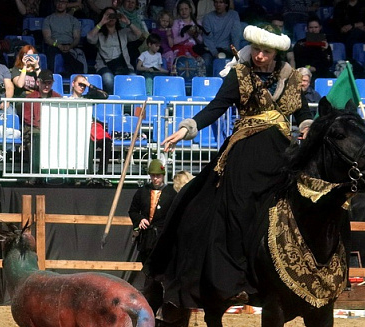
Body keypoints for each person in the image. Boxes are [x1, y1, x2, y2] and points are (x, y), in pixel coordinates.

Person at [147, 24, 313, 310]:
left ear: (276, 52)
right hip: (246, 154)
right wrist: (187, 128)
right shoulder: (239, 74)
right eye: (257, 50)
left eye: (267, 51)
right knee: (236, 209)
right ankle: (235, 278)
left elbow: (303, 111)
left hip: (282, 155)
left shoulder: (292, 77)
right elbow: (216, 107)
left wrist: (308, 126)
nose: (260, 55)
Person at [129, 159, 177, 311]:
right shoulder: (142, 192)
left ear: (163, 175)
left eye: (158, 175)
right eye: (153, 176)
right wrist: (140, 219)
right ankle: (150, 303)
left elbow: (175, 215)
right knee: (148, 271)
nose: (155, 179)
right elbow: (133, 210)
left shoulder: (171, 194)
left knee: (161, 272)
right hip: (147, 238)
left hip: (163, 239)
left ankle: (163, 303)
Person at [86, 6, 137, 94]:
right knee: (108, 79)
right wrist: (102, 22)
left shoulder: (123, 32)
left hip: (124, 66)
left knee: (133, 77)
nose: (111, 17)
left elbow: (138, 34)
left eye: (113, 15)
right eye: (108, 15)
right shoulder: (99, 34)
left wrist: (127, 22)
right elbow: (89, 38)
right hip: (105, 67)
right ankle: (112, 105)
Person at [22, 69, 62, 169]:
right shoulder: (30, 98)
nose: (47, 86)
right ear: (38, 82)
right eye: (44, 83)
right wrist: (42, 127)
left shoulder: (58, 98)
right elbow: (27, 118)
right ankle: (35, 172)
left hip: (52, 129)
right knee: (36, 136)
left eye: (49, 83)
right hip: (34, 128)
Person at [42, 0, 86, 78]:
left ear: (67, 4)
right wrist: (58, 45)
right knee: (51, 53)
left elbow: (76, 38)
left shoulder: (73, 20)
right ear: (55, 3)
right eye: (58, 2)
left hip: (70, 46)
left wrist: (70, 46)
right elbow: (47, 38)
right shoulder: (48, 19)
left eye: (63, 2)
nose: (60, 4)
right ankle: (51, 77)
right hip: (54, 46)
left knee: (78, 55)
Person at [201, 0, 242, 75]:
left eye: (221, 2)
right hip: (211, 50)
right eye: (216, 2)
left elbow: (235, 35)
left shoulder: (233, 15)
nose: (218, 5)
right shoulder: (207, 17)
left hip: (228, 49)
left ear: (226, 4)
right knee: (206, 61)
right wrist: (215, 53)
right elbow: (208, 39)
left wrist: (236, 53)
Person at [119, 0, 148, 70]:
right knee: (134, 49)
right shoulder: (119, 14)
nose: (130, 4)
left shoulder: (137, 15)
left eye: (133, 2)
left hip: (140, 39)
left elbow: (144, 31)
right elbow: (123, 29)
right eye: (128, 1)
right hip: (126, 40)